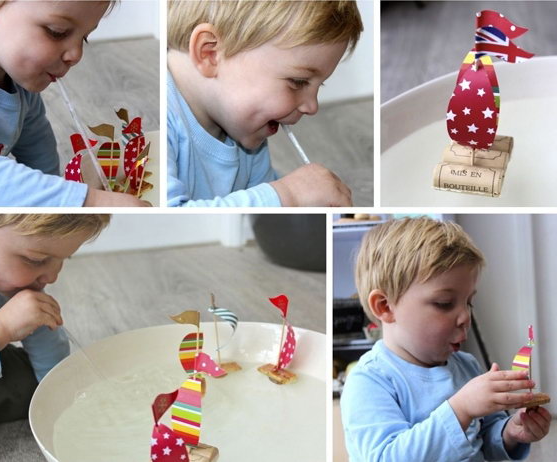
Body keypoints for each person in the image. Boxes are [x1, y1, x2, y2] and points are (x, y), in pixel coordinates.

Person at [341, 217, 551, 461]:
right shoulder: (369, 381)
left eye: (469, 302)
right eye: (444, 304)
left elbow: (483, 443)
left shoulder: (467, 366)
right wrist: (460, 409)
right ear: (385, 306)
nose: (465, 316)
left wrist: (510, 434)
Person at [167, 0, 361, 207]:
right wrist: (289, 194)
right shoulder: (162, 122)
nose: (312, 107)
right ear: (210, 53)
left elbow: (261, 205)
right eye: (298, 81)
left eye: (319, 85)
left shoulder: (245, 129)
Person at [0, 0, 147, 206]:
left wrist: (58, 197)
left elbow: (37, 147)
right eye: (57, 32)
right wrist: (88, 201)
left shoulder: (15, 76)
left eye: (84, 38)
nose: (76, 55)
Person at [0, 213, 110, 425]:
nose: (52, 276)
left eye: (64, 258)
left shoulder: (6, 275)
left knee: (42, 385)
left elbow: (45, 342)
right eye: (35, 260)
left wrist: (64, 398)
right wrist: (1, 327)